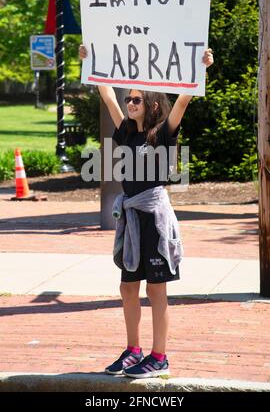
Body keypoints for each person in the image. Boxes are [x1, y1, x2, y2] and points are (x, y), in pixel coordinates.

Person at [79, 44, 213, 378]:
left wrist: (201, 67)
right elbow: (108, 97)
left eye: (136, 100)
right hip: (132, 218)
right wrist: (89, 62)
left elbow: (183, 99)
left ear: (151, 105)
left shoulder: (162, 134)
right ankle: (133, 350)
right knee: (128, 287)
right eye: (129, 99)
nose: (129, 103)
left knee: (156, 290)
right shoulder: (126, 131)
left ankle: (159, 356)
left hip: (154, 217)